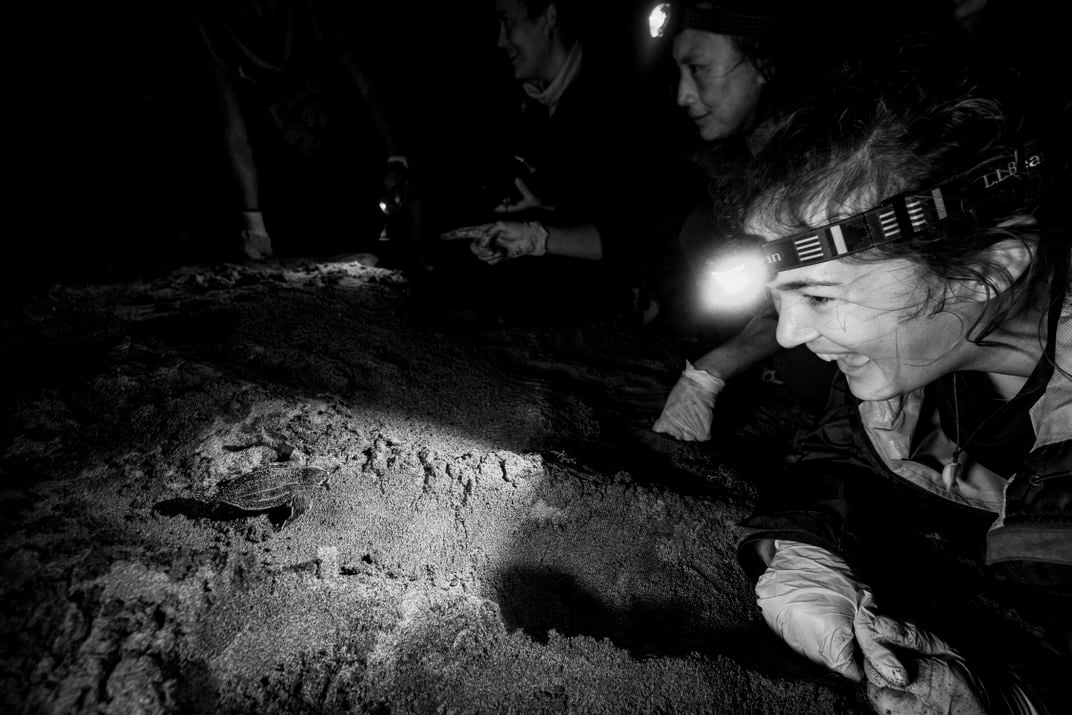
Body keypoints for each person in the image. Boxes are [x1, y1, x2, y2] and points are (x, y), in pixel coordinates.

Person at [727, 40, 1070, 714]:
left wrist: (1016, 697)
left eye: (820, 296)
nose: (789, 332)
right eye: (781, 295)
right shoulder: (914, 360)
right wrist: (801, 546)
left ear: (987, 271)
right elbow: (841, 457)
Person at [650, 0, 977, 441]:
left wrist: (712, 371)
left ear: (763, 61)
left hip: (929, 363)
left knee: (804, 360)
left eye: (700, 68)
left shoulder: (842, 158)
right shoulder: (745, 162)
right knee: (703, 231)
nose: (683, 94)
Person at [434, 0, 681, 321]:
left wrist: (542, 223)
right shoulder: (521, 107)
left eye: (508, 22)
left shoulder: (616, 99)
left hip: (617, 303)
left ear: (548, 17)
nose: (500, 40)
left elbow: (637, 231)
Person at [194, 0, 412, 261]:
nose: (258, 9)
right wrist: (253, 223)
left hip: (348, 165)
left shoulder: (312, 11)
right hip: (288, 182)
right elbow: (234, 133)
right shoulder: (214, 30)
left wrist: (395, 155)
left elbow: (369, 88)